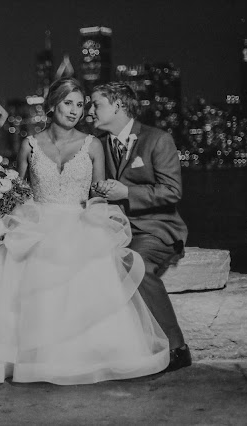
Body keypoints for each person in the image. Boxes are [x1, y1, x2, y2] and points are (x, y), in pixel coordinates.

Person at [0, 77, 170, 385]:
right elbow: (18, 193)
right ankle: (27, 360)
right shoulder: (30, 145)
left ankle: (88, 357)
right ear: (51, 106)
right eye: (68, 103)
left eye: (80, 104)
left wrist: (101, 223)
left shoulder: (93, 145)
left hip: (80, 224)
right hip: (36, 225)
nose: (75, 111)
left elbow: (98, 194)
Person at [89, 82, 191, 371]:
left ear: (118, 105)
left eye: (96, 104)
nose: (90, 111)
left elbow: (172, 191)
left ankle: (177, 348)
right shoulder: (97, 143)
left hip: (155, 229)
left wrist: (127, 194)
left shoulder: (157, 139)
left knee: (137, 265)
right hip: (111, 229)